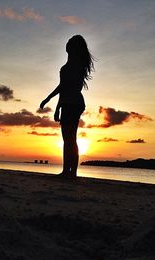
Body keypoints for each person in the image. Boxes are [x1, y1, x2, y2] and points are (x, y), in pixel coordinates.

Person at [40, 35, 94, 178]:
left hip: (73, 102)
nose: (67, 43)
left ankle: (71, 172)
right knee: (68, 139)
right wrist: (58, 107)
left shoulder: (75, 64)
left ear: (73, 47)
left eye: (70, 42)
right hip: (69, 102)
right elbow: (64, 89)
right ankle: (68, 171)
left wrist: (48, 98)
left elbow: (65, 86)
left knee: (70, 138)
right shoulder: (72, 64)